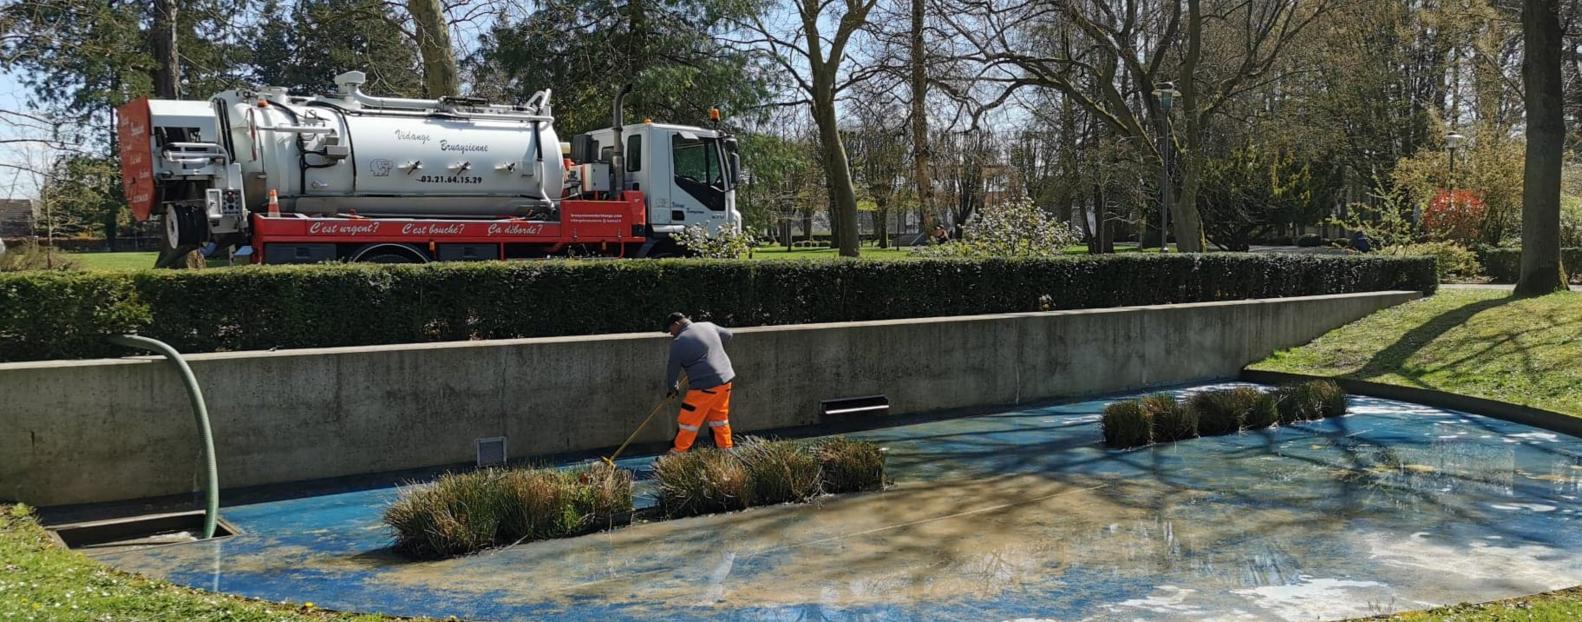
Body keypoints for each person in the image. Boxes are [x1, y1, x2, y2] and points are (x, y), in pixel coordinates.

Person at [662, 312, 735, 453]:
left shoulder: (679, 342)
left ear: (676, 324)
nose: (671, 334)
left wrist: (672, 388)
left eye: (670, 330)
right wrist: (713, 351)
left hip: (704, 386)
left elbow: (673, 369)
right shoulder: (707, 325)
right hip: (725, 381)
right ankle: (726, 452)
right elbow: (728, 335)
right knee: (719, 419)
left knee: (688, 422)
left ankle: (677, 454)